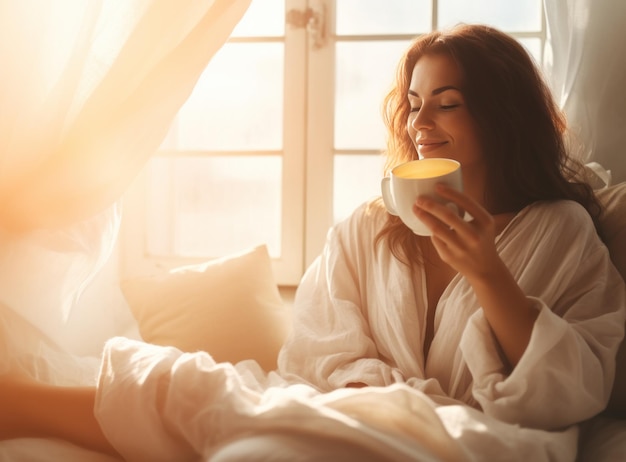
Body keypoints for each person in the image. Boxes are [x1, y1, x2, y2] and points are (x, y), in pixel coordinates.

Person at [1, 23, 625, 462]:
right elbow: (316, 352)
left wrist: (490, 277)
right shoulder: (367, 228)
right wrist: (384, 398)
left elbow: (576, 389)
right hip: (351, 411)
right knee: (199, 385)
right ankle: (19, 404)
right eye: (412, 105)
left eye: (447, 104)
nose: (419, 123)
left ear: (500, 116)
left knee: (232, 414)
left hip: (486, 440)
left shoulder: (559, 230)